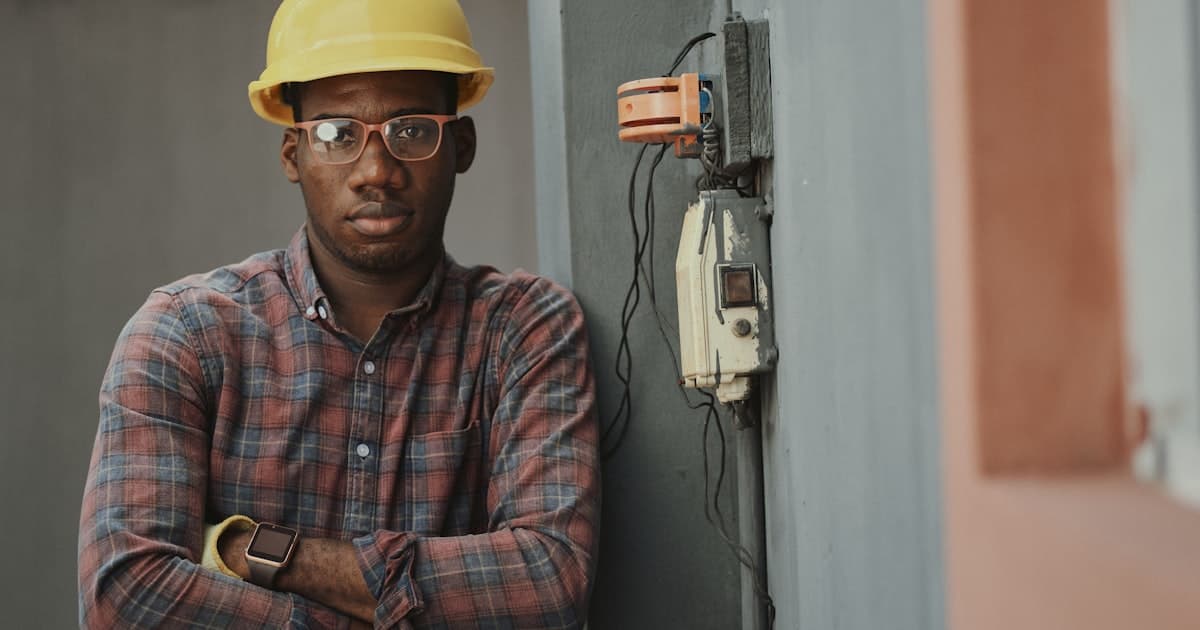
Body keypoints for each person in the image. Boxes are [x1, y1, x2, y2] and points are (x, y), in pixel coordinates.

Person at [76, 1, 600, 627]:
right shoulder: (184, 336)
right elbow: (128, 594)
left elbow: (548, 581)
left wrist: (265, 553)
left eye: (411, 130)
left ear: (461, 145)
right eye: (336, 134)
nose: (376, 172)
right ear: (293, 154)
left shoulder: (523, 329)